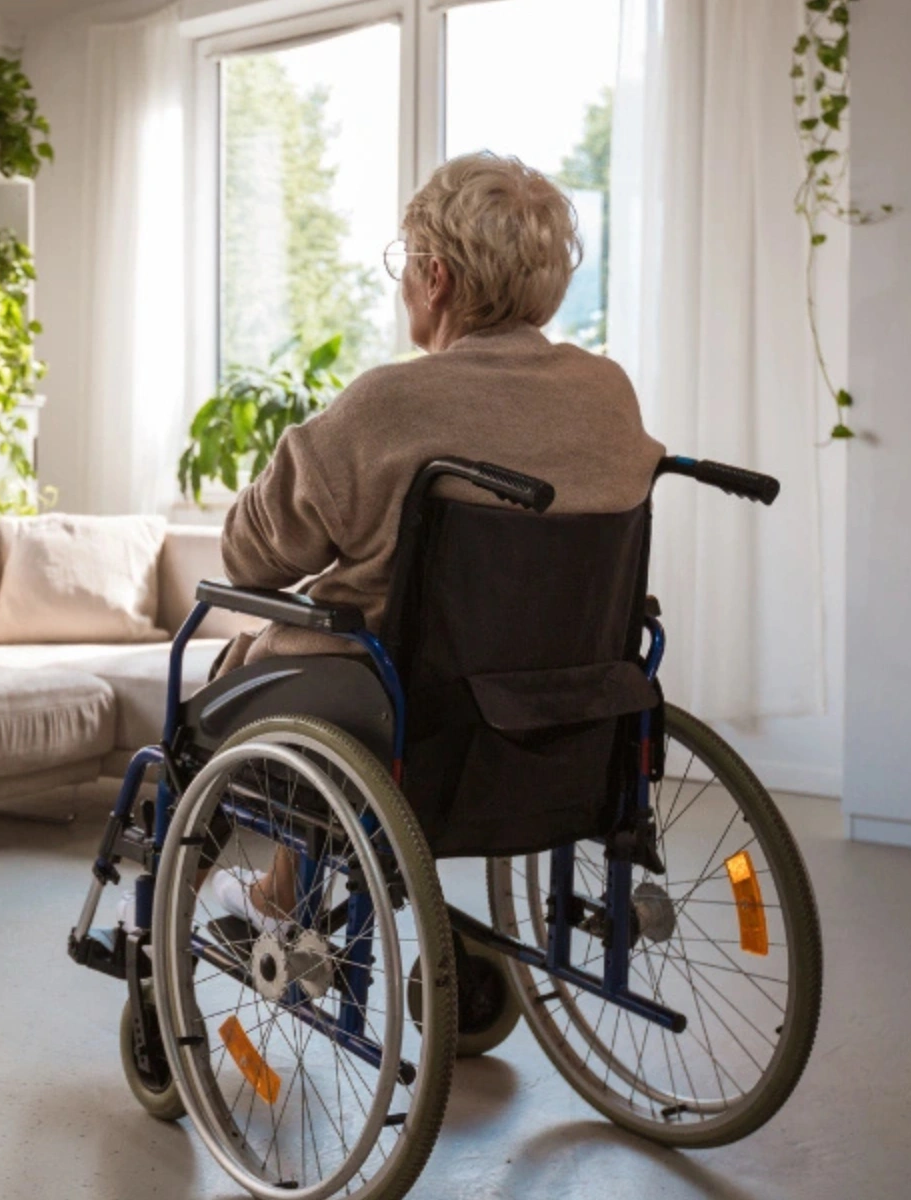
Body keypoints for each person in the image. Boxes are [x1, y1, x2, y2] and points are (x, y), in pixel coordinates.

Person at [210, 151, 664, 926]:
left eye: (406, 263)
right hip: (564, 714)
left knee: (247, 677)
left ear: (437, 276)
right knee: (351, 666)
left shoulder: (390, 403)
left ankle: (184, 925)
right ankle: (284, 891)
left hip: (410, 722)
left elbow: (252, 558)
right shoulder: (607, 393)